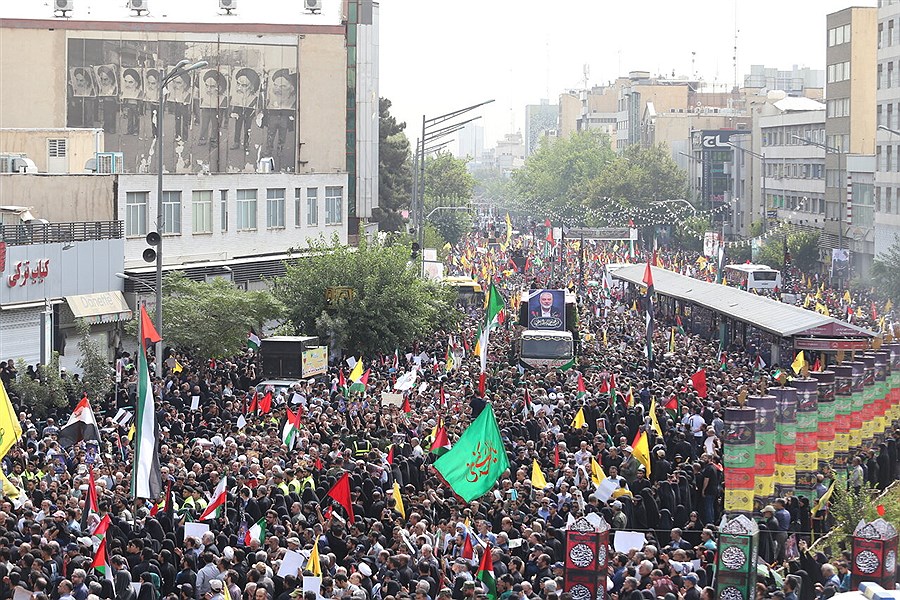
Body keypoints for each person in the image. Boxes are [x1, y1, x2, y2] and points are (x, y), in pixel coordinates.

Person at [230, 68, 260, 152]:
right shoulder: (236, 96)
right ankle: (236, 142)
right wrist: (233, 112)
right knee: (237, 127)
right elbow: (234, 104)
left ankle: (246, 144)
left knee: (247, 129)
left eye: (244, 85)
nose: (239, 88)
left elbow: (257, 105)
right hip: (239, 111)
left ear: (251, 87)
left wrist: (255, 112)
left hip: (248, 112)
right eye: (238, 84)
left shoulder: (254, 98)